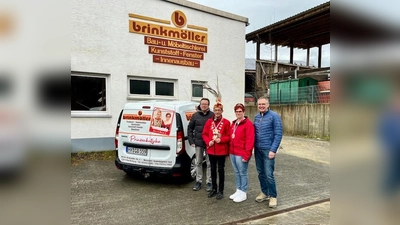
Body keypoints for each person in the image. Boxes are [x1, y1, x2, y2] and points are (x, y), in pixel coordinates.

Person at [254, 96, 282, 208]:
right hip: (257, 149)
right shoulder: (256, 117)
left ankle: (273, 196)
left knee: (269, 174)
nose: (261, 106)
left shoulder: (274, 116)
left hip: (268, 150)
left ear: (268, 105)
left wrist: (273, 149)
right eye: (259, 104)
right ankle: (265, 193)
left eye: (263, 104)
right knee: (260, 173)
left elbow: (278, 134)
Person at [202, 102, 230, 200]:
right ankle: (214, 189)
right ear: (213, 111)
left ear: (222, 111)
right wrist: (208, 141)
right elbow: (204, 134)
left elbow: (229, 136)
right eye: (216, 110)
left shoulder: (226, 122)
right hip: (211, 150)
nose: (217, 112)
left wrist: (221, 140)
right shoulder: (209, 122)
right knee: (212, 170)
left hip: (221, 151)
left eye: (219, 110)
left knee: (221, 170)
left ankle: (221, 190)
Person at [228, 103, 255, 203]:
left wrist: (247, 155)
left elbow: (250, 140)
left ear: (244, 112)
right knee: (236, 172)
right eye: (236, 111)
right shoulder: (234, 123)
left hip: (241, 153)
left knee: (242, 173)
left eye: (240, 111)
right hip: (233, 153)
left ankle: (243, 192)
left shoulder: (248, 124)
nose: (238, 113)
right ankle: (238, 190)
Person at [188, 98, 214, 191]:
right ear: (200, 105)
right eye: (202, 104)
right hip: (198, 143)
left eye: (206, 104)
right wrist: (191, 141)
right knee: (198, 162)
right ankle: (198, 181)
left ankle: (209, 182)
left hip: (209, 144)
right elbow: (190, 129)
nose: (204, 106)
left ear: (208, 105)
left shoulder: (212, 115)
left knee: (209, 163)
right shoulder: (195, 116)